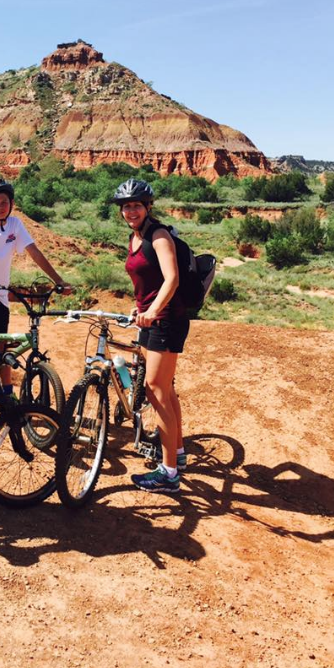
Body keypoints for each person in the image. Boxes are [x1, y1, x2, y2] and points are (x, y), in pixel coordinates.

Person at [0, 177, 72, 394]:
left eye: (4, 202)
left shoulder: (15, 224)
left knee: (1, 342)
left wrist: (58, 280)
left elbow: (34, 251)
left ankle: (6, 391)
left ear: (11, 204)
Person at [112, 178, 189, 493]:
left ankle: (168, 474)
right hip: (151, 319)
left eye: (136, 205)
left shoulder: (158, 236)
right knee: (165, 390)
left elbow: (171, 279)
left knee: (155, 390)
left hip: (166, 321)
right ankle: (179, 453)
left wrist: (153, 310)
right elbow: (147, 281)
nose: (131, 210)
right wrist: (138, 307)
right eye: (126, 206)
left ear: (148, 207)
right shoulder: (134, 238)